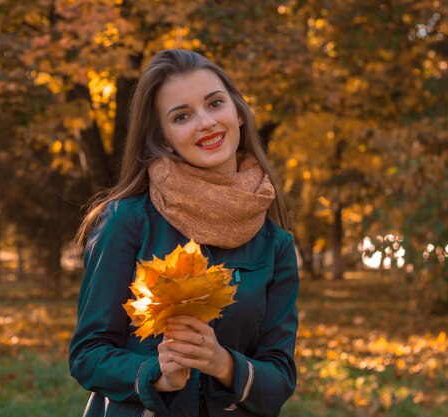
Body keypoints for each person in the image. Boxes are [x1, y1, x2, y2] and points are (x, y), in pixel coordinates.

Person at [69, 49, 299, 417]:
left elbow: (280, 378)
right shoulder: (127, 220)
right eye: (182, 116)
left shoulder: (276, 245)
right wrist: (155, 375)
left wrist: (223, 364)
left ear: (238, 112)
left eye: (215, 103)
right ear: (162, 137)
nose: (205, 122)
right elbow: (87, 354)